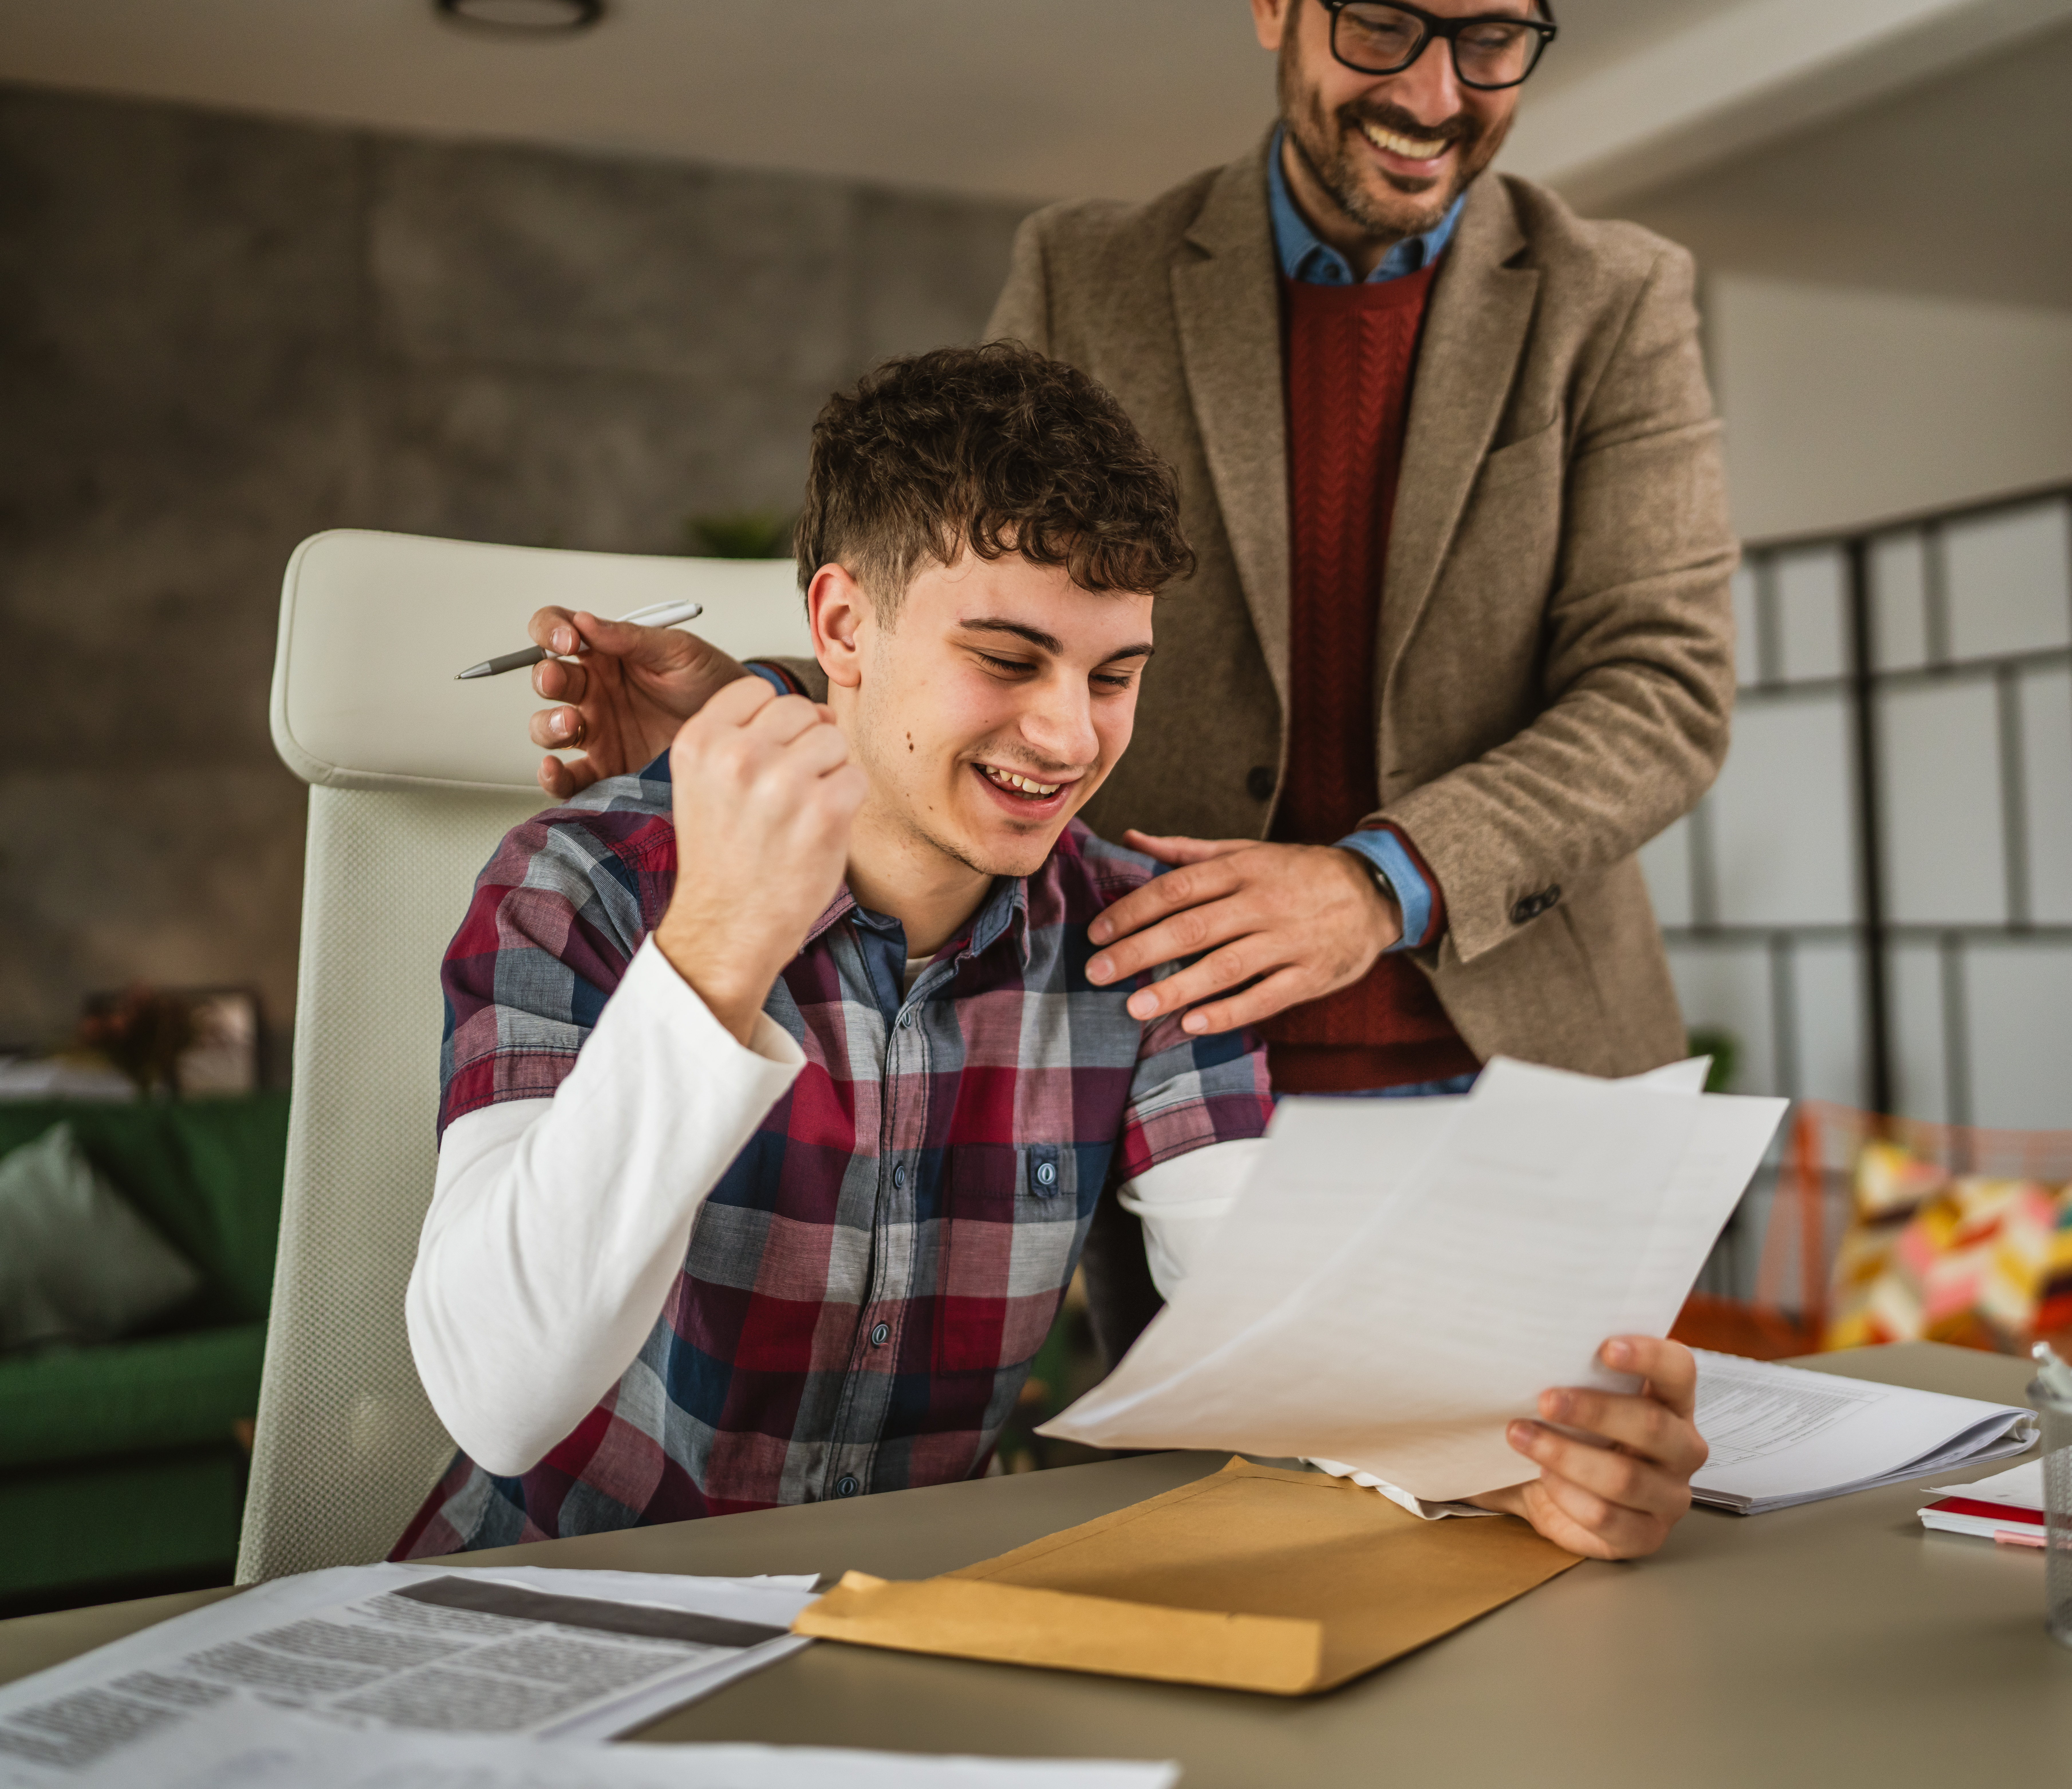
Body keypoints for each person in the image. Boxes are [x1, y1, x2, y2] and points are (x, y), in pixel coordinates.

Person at [514, 0, 1737, 1358]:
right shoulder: (1088, 270)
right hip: (1172, 1069)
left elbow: (1664, 686)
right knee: (1218, 1533)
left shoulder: (1615, 297)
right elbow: (972, 594)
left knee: (1557, 1507)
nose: (1438, 94)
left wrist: (1376, 882)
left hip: (1524, 1070)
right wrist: (767, 706)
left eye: (1496, 37)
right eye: (1387, 26)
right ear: (1275, 8)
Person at [399, 343, 1709, 1563]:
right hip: (560, 1613)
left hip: (901, 1637)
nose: (1070, 737)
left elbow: (1280, 1318)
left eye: (1112, 675)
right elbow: (502, 1405)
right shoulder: (584, 883)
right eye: (1008, 659)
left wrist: (1524, 1459)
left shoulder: (1131, 934)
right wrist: (718, 952)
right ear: (844, 629)